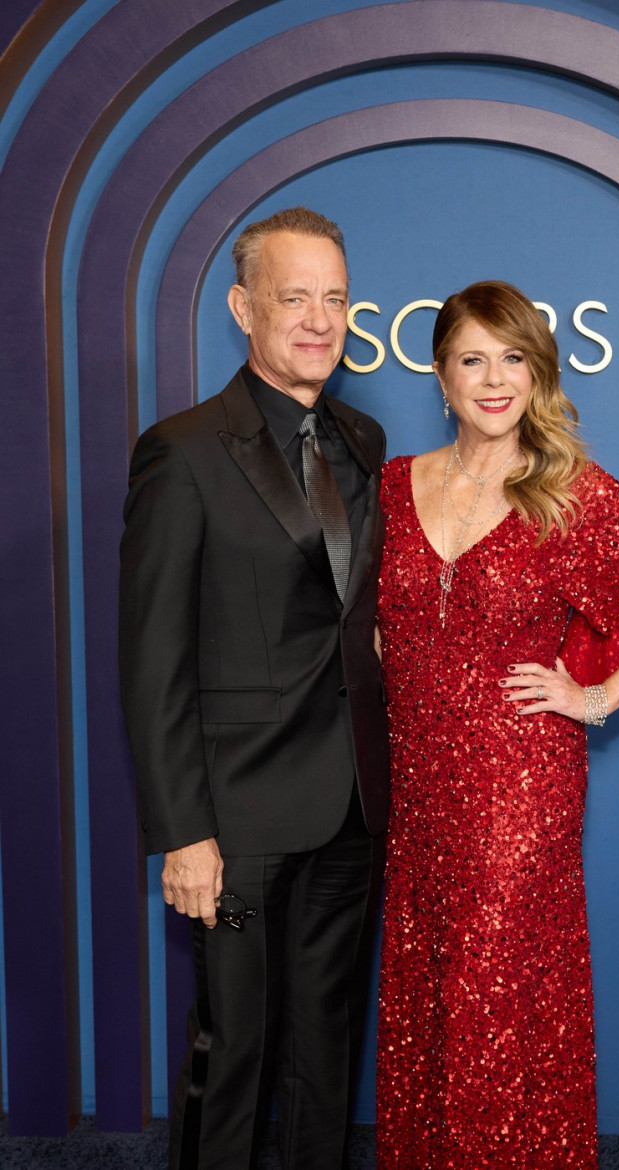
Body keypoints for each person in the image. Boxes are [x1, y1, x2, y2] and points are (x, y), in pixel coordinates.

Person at [375, 280, 619, 1168]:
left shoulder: (567, 494)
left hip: (519, 788)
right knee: (429, 989)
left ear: (538, 374)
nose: (494, 380)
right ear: (441, 377)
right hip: (415, 784)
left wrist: (596, 698)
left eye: (513, 359)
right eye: (473, 360)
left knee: (497, 999)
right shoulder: (388, 487)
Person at [119, 206, 390, 1170]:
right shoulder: (183, 451)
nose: (319, 320)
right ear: (244, 308)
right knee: (231, 1055)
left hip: (353, 807)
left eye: (335, 299)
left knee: (326, 1055)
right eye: (293, 298)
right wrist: (182, 833)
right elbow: (152, 661)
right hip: (233, 821)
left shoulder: (363, 437)